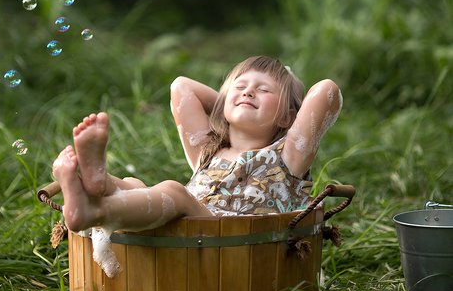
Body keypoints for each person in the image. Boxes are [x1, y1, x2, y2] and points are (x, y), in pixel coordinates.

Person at [52, 56, 342, 240]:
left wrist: (240, 105)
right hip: (183, 233)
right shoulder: (209, 151)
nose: (248, 91)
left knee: (174, 192)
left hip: (227, 243)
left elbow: (327, 90)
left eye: (263, 90)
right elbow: (181, 87)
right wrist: (229, 108)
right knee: (133, 184)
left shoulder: (288, 156)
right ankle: (99, 183)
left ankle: (93, 212)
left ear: (287, 117)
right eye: (240, 87)